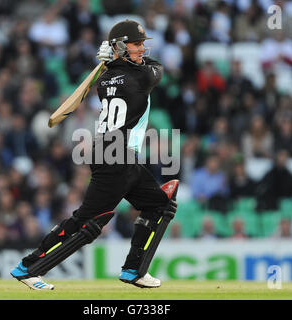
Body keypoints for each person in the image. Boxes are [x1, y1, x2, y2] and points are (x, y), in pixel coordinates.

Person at [11, 20, 178, 290]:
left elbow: (122, 72)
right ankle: (29, 267)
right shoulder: (141, 76)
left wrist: (112, 61)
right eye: (137, 44)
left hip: (117, 154)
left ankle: (134, 269)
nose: (142, 49)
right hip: (115, 156)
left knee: (160, 205)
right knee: (87, 222)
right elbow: (157, 68)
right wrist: (116, 59)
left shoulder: (104, 79)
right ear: (122, 47)